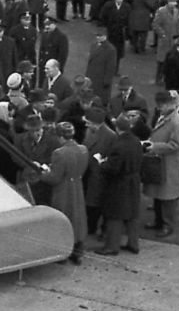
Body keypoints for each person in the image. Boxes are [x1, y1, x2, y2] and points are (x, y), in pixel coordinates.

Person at [94, 112, 143, 255]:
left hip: (119, 185)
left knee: (114, 216)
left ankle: (111, 247)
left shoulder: (118, 145)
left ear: (117, 128)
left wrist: (101, 164)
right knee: (132, 215)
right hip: (133, 181)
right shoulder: (136, 141)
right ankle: (133, 244)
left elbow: (113, 168)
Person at [41, 122, 88, 264]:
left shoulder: (59, 153)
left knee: (64, 218)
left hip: (63, 190)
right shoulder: (83, 149)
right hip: (77, 187)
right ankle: (78, 252)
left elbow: (54, 178)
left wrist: (43, 173)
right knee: (78, 218)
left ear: (60, 137)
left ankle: (63, 254)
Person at [142, 90, 179, 239]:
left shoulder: (176, 123)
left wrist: (155, 146)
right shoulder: (166, 117)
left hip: (169, 164)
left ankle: (167, 225)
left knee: (168, 197)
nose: (159, 108)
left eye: (161, 105)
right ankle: (159, 221)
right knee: (159, 194)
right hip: (161, 163)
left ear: (170, 105)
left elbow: (176, 144)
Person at [82, 106, 116, 239]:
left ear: (96, 123)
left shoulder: (110, 136)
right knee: (89, 203)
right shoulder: (89, 131)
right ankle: (91, 227)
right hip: (88, 173)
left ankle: (100, 229)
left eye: (88, 122)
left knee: (97, 204)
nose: (86, 124)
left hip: (99, 176)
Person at [86, 25, 118, 102]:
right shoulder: (93, 45)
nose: (98, 37)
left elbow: (111, 67)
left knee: (100, 99)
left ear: (105, 36)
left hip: (101, 79)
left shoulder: (110, 49)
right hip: (91, 76)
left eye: (100, 36)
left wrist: (107, 81)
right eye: (97, 35)